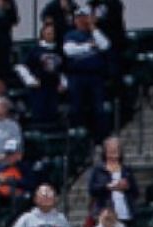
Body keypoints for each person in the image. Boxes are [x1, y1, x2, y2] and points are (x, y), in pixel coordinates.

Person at [62, 8, 112, 140]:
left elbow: (105, 46)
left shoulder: (95, 33)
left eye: (84, 17)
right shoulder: (71, 35)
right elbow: (69, 51)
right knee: (77, 106)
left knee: (98, 108)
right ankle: (78, 132)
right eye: (79, 18)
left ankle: (100, 136)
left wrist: (93, 28)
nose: (81, 20)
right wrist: (88, 46)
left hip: (95, 76)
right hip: (77, 76)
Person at [16, 21, 68, 127]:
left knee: (53, 115)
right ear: (43, 34)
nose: (50, 35)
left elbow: (63, 69)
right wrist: (31, 81)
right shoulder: (35, 50)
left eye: (52, 33)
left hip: (54, 88)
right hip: (39, 88)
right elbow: (21, 66)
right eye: (48, 33)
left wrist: (63, 83)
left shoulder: (59, 50)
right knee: (39, 115)